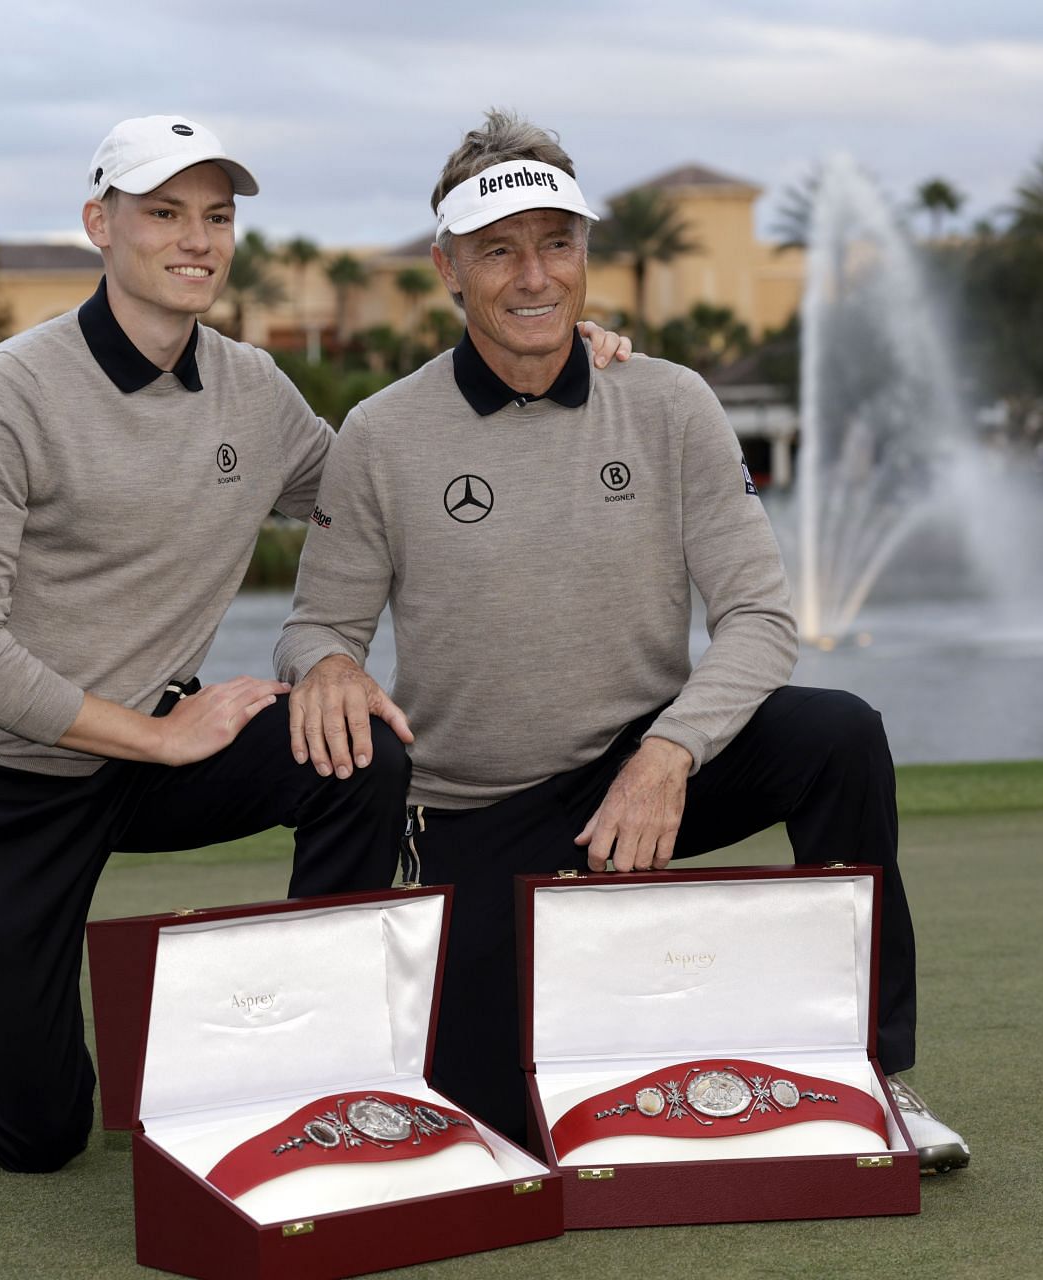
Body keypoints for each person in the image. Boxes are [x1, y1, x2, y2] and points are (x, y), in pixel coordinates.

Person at [0, 114, 630, 1175]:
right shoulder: (9, 391)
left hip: (163, 745)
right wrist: (153, 738)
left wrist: (552, 359)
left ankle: (318, 1057)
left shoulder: (253, 387)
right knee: (36, 1134)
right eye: (164, 214)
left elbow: (388, 497)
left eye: (216, 215)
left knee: (356, 753)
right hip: (6, 775)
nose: (197, 239)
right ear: (99, 225)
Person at [274, 110, 969, 1173]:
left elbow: (760, 616)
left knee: (837, 733)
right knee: (490, 1125)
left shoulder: (671, 402)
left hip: (643, 783)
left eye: (558, 242)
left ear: (587, 253)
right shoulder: (383, 431)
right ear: (447, 266)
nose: (534, 275)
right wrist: (324, 662)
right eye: (499, 250)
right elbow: (320, 623)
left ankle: (874, 1070)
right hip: (478, 811)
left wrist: (671, 751)